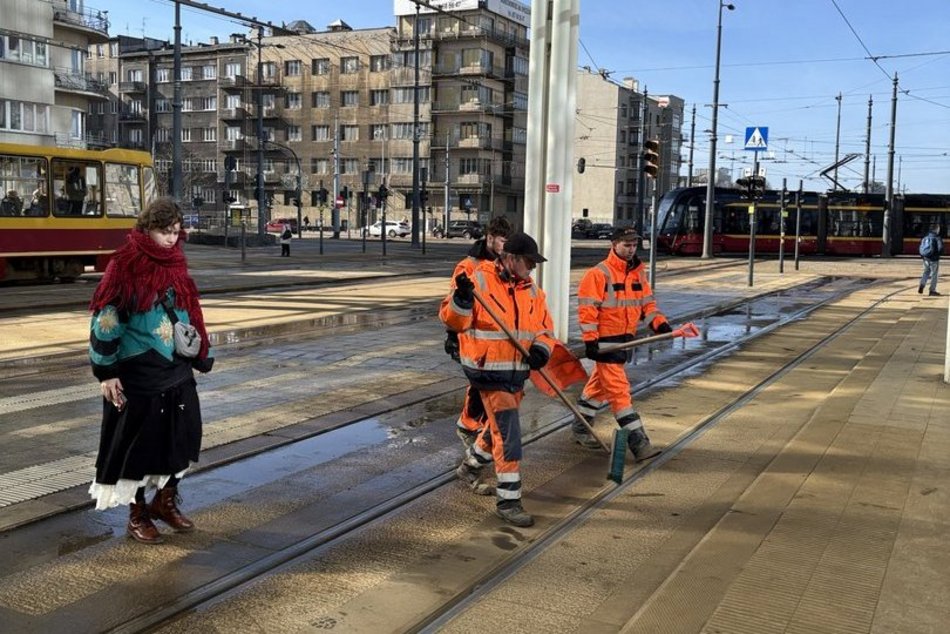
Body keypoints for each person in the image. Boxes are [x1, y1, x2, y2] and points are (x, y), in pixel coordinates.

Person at [88, 197, 214, 544]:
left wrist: (202, 350)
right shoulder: (125, 265)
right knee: (137, 450)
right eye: (163, 232)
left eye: (175, 231)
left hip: (175, 370)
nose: (171, 239)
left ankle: (164, 500)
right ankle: (137, 512)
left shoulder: (176, 263)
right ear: (147, 229)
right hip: (137, 373)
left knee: (183, 438)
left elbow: (190, 309)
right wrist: (107, 371)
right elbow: (106, 321)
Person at [440, 232, 555, 527]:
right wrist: (462, 298)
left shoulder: (532, 292)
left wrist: (541, 350)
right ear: (511, 258)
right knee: (508, 436)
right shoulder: (479, 281)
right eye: (529, 262)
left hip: (516, 372)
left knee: (496, 429)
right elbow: (454, 321)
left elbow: (545, 329)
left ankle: (471, 466)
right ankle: (509, 500)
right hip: (488, 371)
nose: (532, 268)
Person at [574, 226, 671, 462]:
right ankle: (639, 443)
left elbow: (647, 303)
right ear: (614, 244)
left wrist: (659, 323)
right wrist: (590, 341)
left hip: (624, 341)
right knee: (619, 392)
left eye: (634, 245)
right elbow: (588, 311)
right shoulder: (599, 274)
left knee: (598, 387)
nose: (631, 249)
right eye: (626, 245)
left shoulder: (638, 273)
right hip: (606, 343)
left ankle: (580, 427)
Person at [441, 216, 513, 495]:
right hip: (472, 341)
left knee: (485, 395)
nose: (504, 247)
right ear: (490, 237)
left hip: (495, 345)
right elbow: (452, 306)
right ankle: (474, 454)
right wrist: (452, 335)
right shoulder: (468, 266)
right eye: (502, 241)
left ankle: (469, 429)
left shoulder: (502, 264)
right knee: (488, 397)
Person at [918, 224, 944, 296]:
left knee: (926, 272)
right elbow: (940, 248)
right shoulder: (937, 237)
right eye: (938, 229)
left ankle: (922, 284)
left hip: (925, 258)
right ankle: (932, 290)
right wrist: (938, 255)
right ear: (936, 229)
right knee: (934, 274)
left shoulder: (925, 237)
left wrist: (923, 256)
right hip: (934, 259)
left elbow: (921, 247)